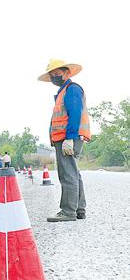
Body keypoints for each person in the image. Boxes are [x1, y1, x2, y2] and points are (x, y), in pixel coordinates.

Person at [38, 59, 90, 222]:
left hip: (69, 138)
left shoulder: (71, 89)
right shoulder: (64, 91)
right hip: (66, 138)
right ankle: (79, 209)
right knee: (73, 172)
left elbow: (75, 113)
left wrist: (69, 138)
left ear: (67, 73)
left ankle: (68, 211)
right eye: (52, 74)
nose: (54, 76)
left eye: (57, 73)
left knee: (67, 174)